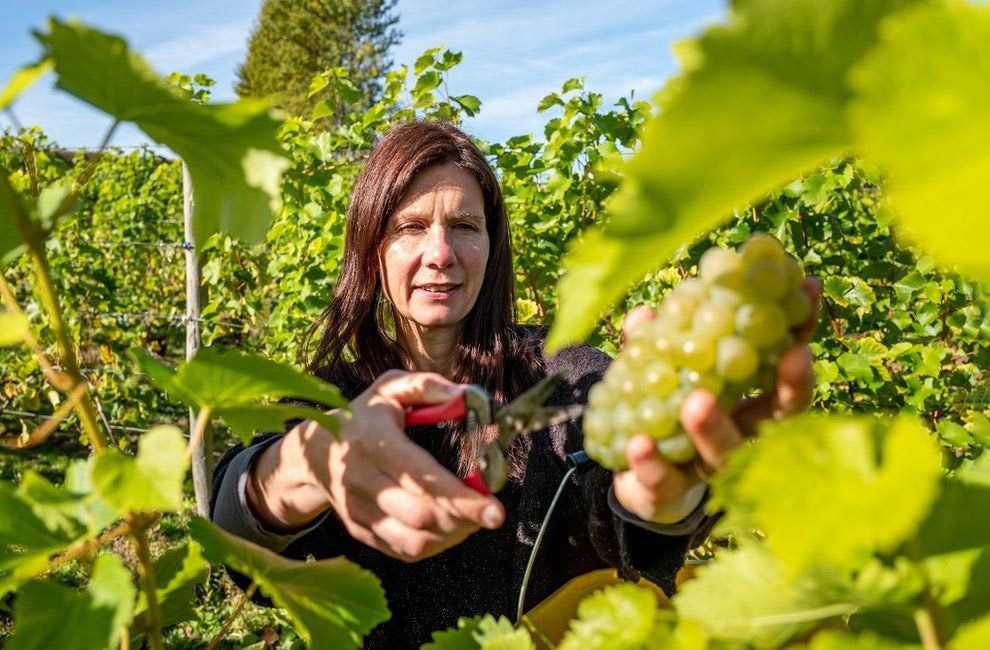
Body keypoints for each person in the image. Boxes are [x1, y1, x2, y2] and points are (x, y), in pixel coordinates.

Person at [210, 121, 820, 647]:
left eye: (465, 226)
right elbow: (238, 541)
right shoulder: (332, 398)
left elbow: (616, 502)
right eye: (410, 227)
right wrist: (308, 464)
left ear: (491, 244)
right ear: (372, 249)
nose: (441, 252)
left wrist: (660, 501)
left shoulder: (560, 376)